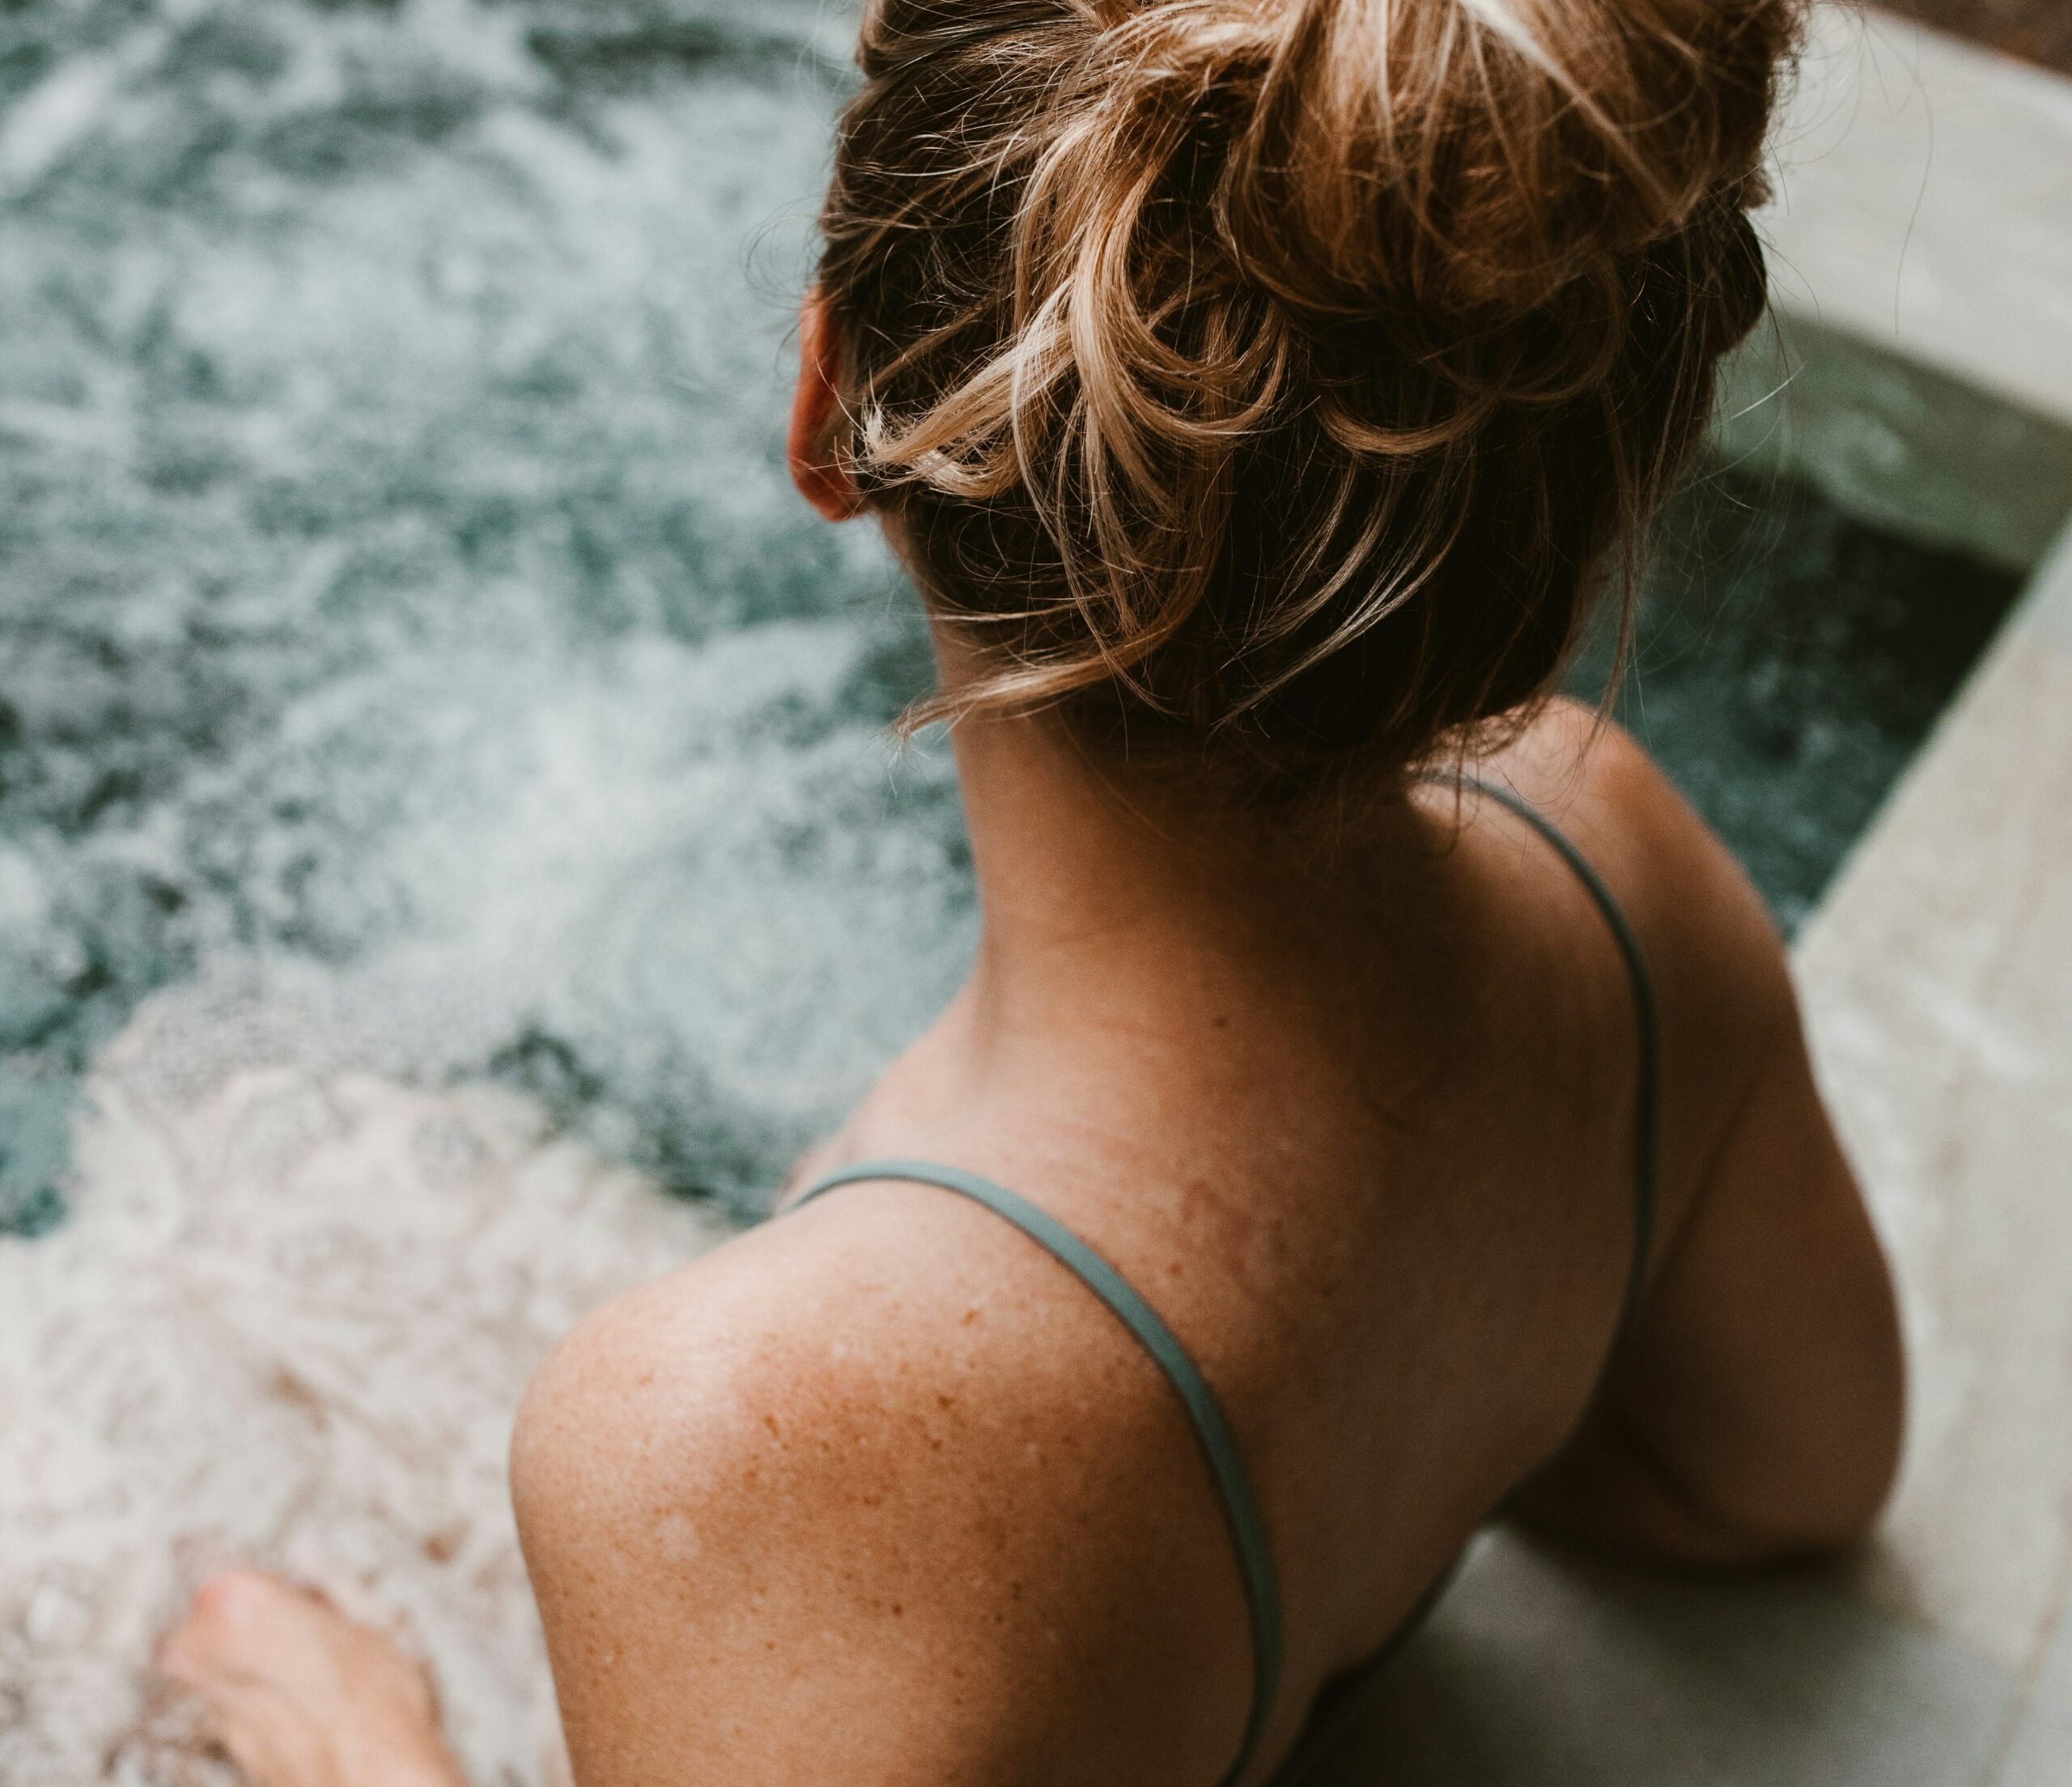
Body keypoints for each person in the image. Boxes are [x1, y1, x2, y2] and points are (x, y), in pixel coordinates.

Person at [159, 0, 1905, 1780]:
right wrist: (1394, 1403)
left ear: (825, 406)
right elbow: (1785, 1478)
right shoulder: (1612, 864)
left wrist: (365, 1753)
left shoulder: (729, 1439)